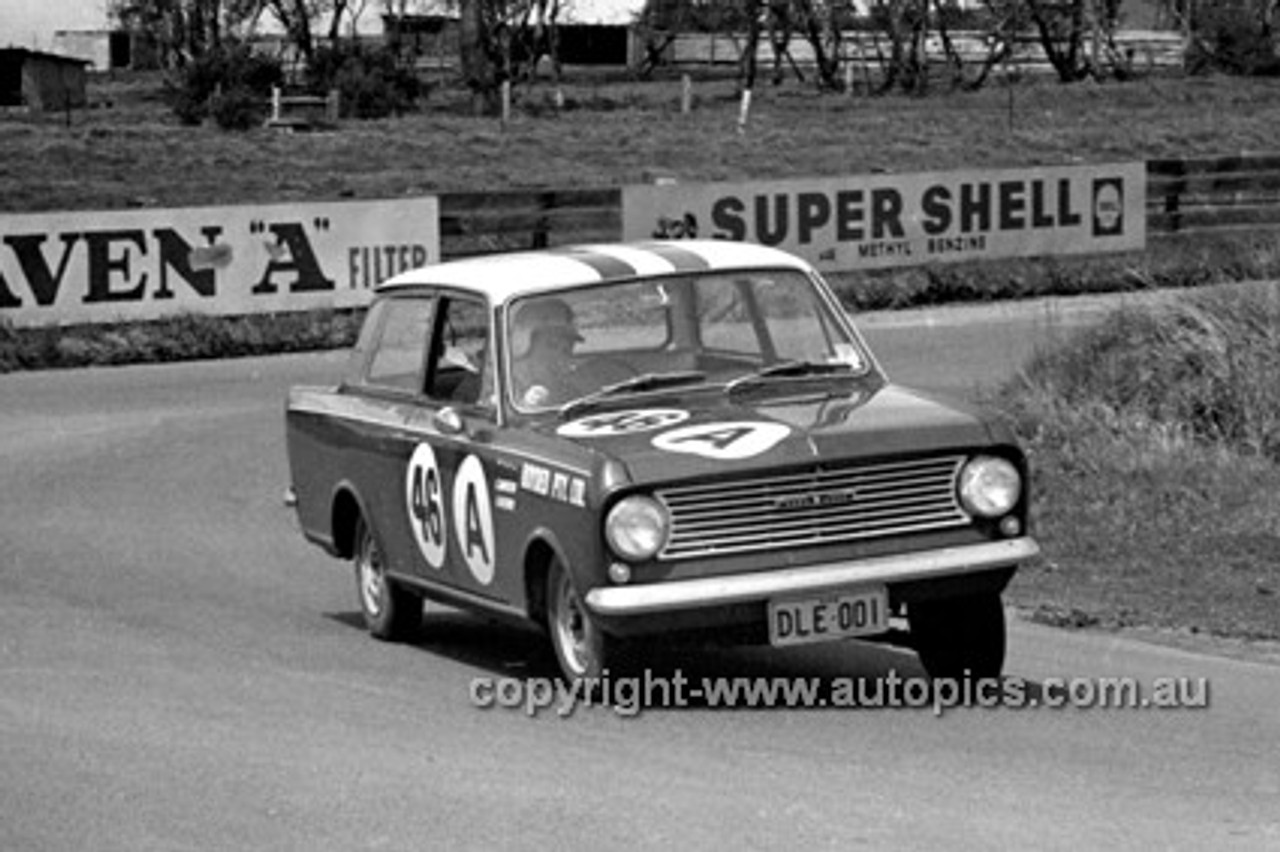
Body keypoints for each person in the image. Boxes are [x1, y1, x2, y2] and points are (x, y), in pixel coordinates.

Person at [509, 297, 585, 407]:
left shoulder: (566, 389)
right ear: (526, 345)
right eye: (551, 345)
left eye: (566, 350)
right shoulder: (503, 387)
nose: (559, 357)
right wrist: (525, 404)